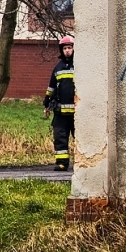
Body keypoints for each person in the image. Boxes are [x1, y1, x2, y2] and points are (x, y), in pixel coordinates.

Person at [44, 34, 76, 172]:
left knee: (81, 139)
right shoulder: (58, 67)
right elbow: (51, 86)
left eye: (69, 48)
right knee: (60, 138)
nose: (67, 51)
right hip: (60, 112)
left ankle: (83, 163)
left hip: (77, 113)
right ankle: (62, 163)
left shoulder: (80, 66)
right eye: (65, 48)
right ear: (61, 50)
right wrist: (47, 102)